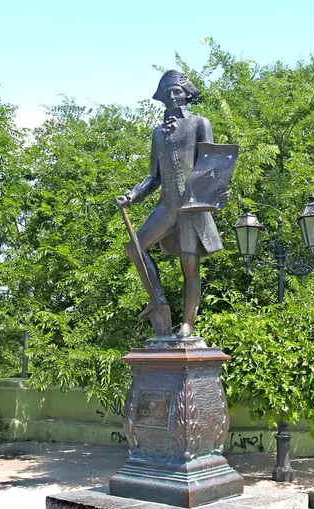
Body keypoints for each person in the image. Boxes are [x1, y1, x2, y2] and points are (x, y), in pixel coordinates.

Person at [116, 70, 224, 338]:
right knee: (135, 246)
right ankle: (158, 302)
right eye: (167, 93)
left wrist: (215, 194)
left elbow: (211, 165)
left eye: (177, 91)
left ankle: (188, 323)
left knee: (190, 265)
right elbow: (153, 177)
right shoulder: (157, 133)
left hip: (190, 205)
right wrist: (131, 195)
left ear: (186, 93)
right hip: (167, 204)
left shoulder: (200, 124)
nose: (173, 97)